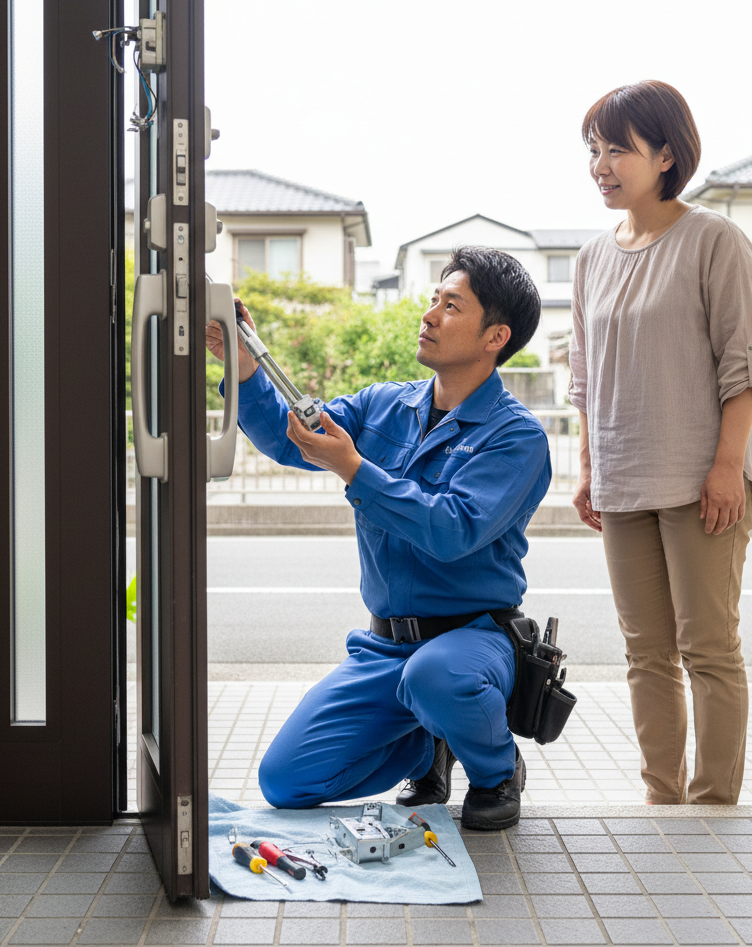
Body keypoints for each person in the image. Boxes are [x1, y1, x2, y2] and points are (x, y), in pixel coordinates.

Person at [206, 246, 551, 829]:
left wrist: (355, 469)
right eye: (434, 300)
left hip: (471, 642)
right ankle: (427, 744)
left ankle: (496, 771)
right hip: (386, 649)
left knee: (437, 676)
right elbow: (291, 437)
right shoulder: (382, 405)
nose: (430, 315)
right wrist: (244, 365)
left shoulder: (516, 438)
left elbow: (452, 530)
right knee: (286, 781)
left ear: (496, 336)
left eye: (451, 306)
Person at [569, 80, 752, 805]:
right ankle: (663, 800)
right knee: (645, 653)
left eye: (617, 149)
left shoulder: (714, 239)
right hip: (623, 481)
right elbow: (586, 375)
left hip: (701, 480)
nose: (600, 165)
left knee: (709, 648)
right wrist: (589, 467)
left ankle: (712, 807)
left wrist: (727, 467)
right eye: (594, 149)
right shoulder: (591, 258)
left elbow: (746, 364)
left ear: (665, 154)